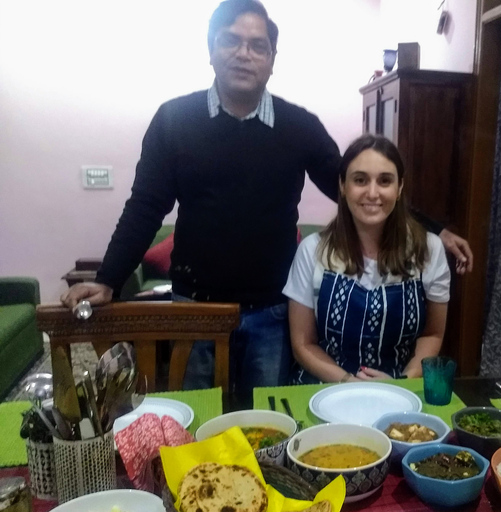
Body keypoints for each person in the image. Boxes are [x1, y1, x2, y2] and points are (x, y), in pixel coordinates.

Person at [60, 0, 471, 401]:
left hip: (273, 313)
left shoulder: (299, 127)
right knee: (198, 424)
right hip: (195, 312)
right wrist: (108, 278)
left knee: (267, 427)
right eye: (231, 41)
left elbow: (353, 189)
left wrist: (435, 230)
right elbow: (145, 206)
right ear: (211, 49)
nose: (244, 54)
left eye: (258, 46)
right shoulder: (174, 121)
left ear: (273, 59)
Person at [284, 134, 449, 384]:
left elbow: (433, 335)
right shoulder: (312, 250)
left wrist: (401, 383)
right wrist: (348, 381)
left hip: (399, 386)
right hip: (327, 385)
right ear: (343, 185)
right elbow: (303, 343)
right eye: (360, 180)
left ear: (399, 187)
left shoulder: (429, 249)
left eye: (385, 181)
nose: (372, 193)